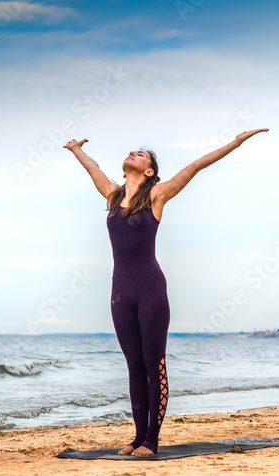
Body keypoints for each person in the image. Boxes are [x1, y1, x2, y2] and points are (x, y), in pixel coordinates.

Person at [63, 128, 269, 456]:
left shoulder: (157, 195)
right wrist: (76, 149)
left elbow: (196, 166)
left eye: (140, 154)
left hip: (151, 292)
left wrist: (235, 142)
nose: (133, 152)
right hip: (120, 294)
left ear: (149, 171)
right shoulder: (112, 196)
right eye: (132, 151)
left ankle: (152, 440)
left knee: (153, 361)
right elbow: (93, 168)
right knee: (133, 365)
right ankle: (137, 436)